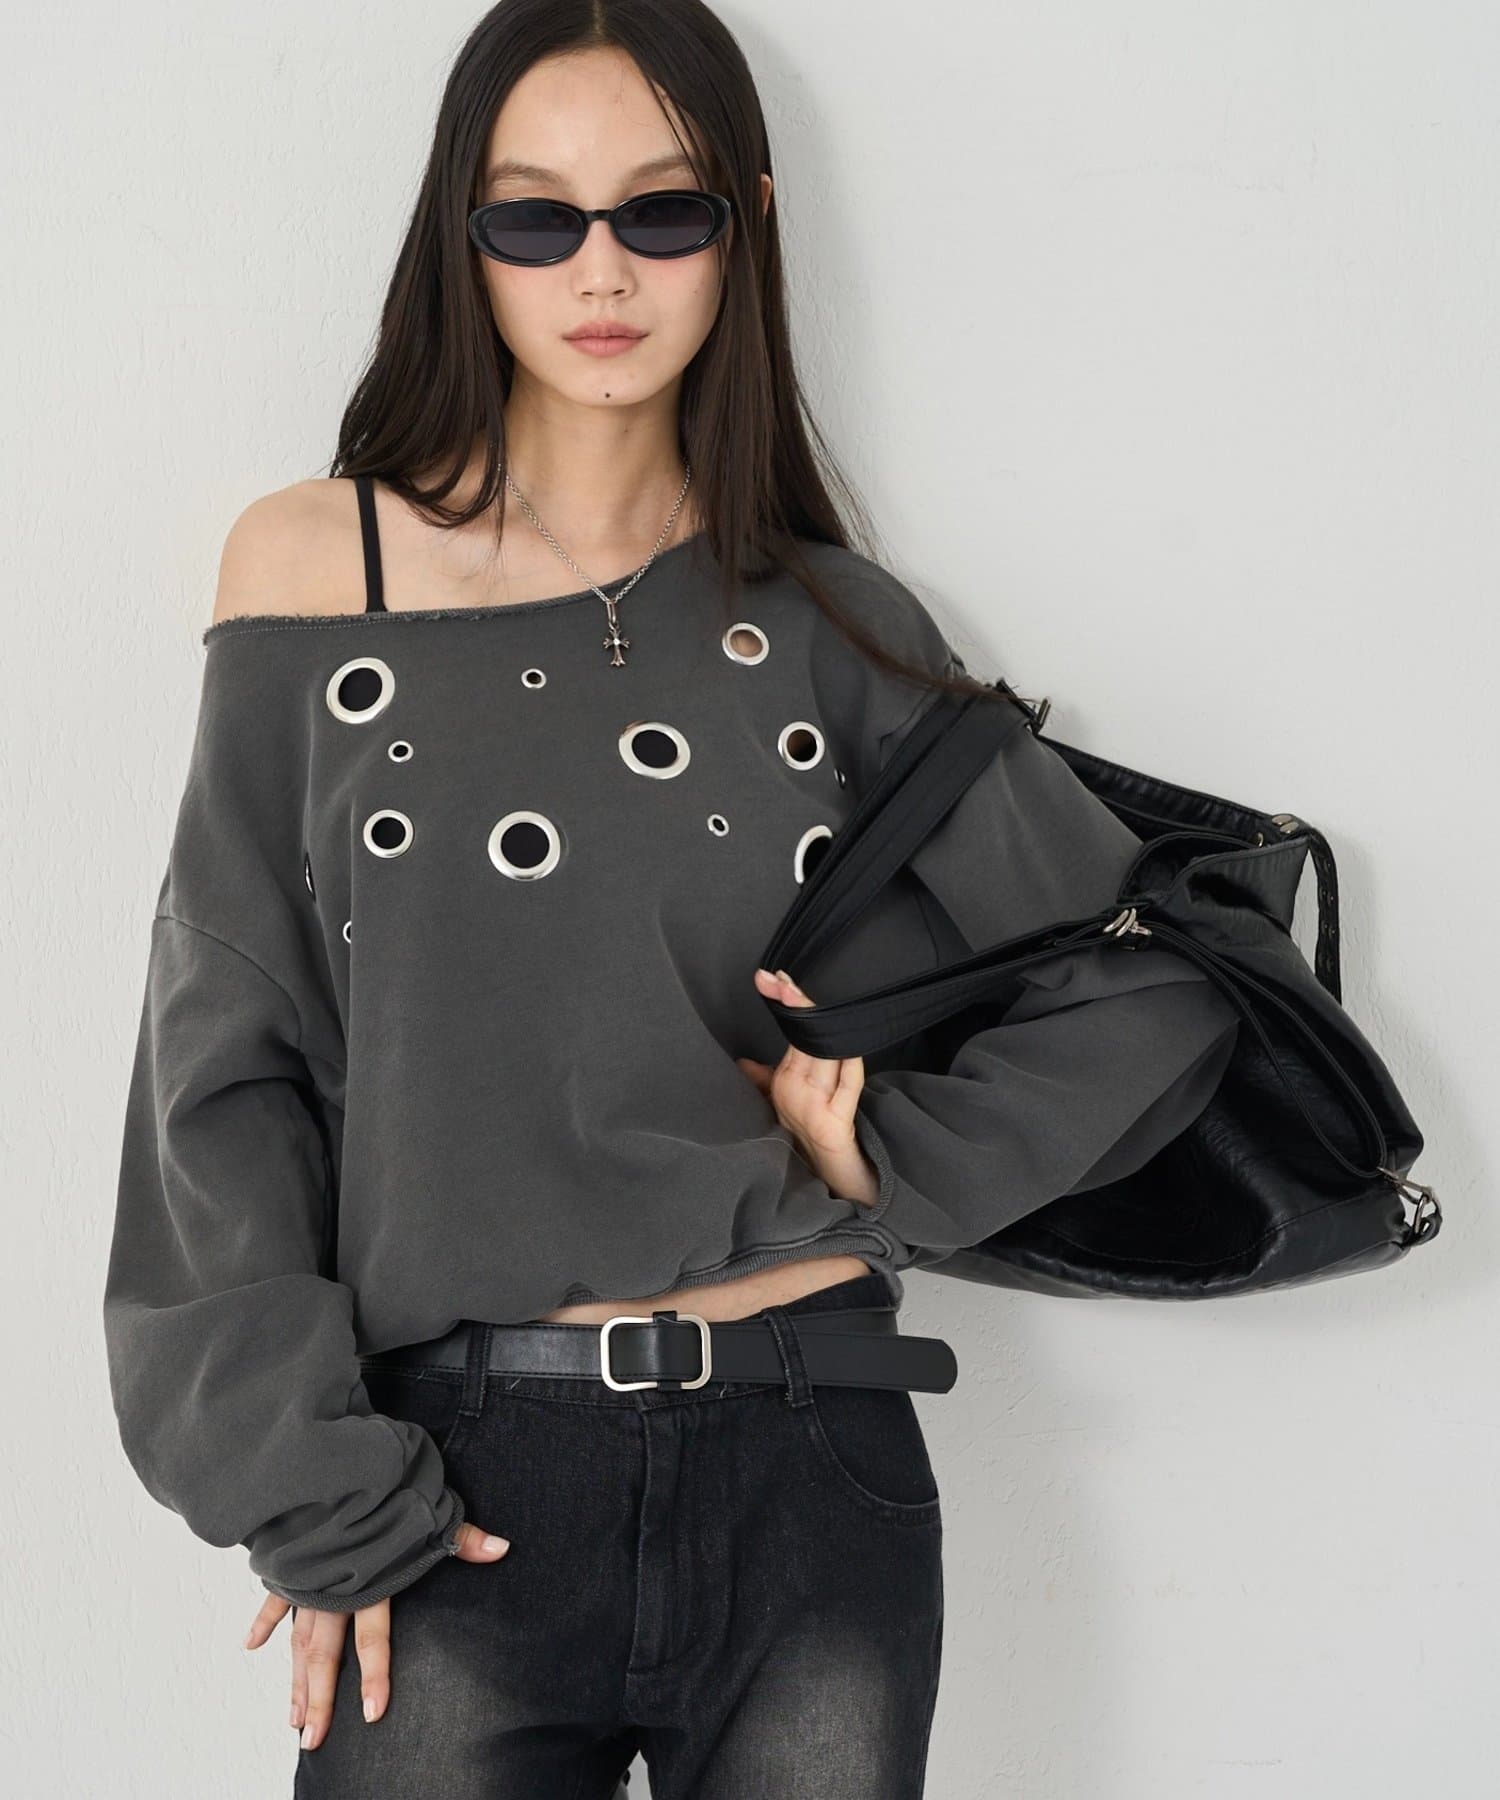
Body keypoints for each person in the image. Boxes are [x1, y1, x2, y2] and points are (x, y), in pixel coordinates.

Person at [101, 4, 1241, 1794]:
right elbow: (222, 1061)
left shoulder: (831, 622)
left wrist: (886, 1167)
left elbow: (1150, 988)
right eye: (533, 216)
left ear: (744, 225)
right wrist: (311, 1492)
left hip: (812, 1458)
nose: (600, 268)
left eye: (663, 209)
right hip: (448, 1478)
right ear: (460, 233)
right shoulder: (322, 572)